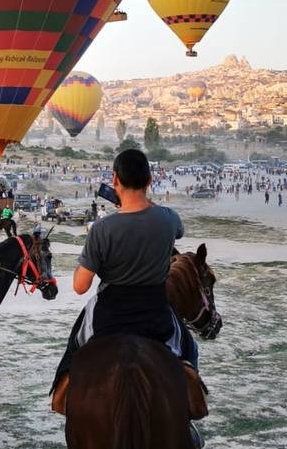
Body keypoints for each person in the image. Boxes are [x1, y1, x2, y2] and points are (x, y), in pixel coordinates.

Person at [50, 149, 186, 411]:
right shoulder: (168, 219)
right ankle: (190, 408)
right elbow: (176, 228)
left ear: (114, 180)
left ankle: (61, 396)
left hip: (110, 316)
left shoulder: (102, 229)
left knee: (75, 346)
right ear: (149, 181)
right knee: (188, 348)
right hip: (155, 315)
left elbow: (80, 287)